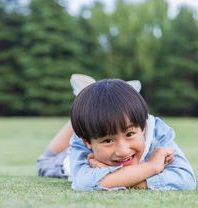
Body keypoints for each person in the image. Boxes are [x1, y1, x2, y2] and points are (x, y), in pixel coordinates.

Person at [36, 74, 196, 191]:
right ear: (87, 142)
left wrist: (110, 178)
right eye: (107, 140)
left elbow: (186, 180)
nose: (123, 150)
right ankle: (86, 100)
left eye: (130, 134)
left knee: (109, 120)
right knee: (44, 163)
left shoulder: (157, 131)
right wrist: (152, 167)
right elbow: (82, 183)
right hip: (69, 155)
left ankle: (97, 103)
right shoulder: (81, 142)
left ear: (142, 126)